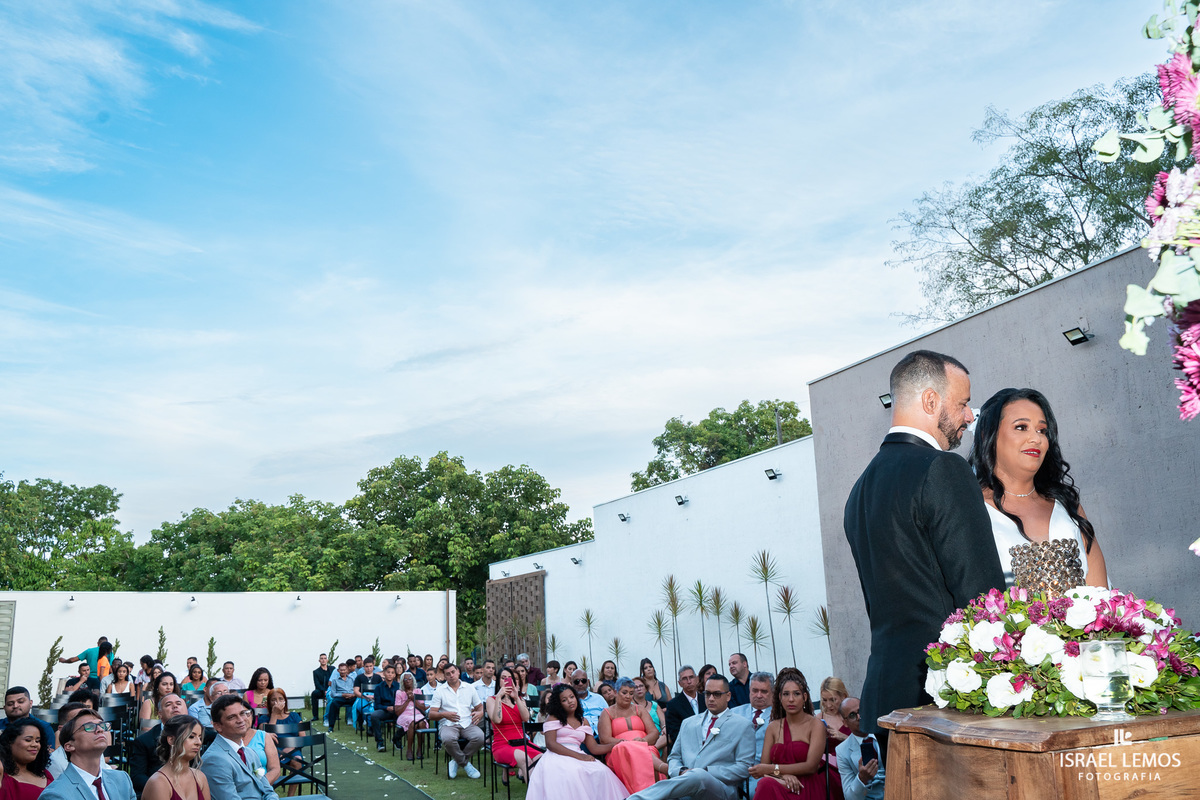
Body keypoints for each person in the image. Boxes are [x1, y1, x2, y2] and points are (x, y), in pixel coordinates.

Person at [843, 350, 1005, 745]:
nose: (970, 416)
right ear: (931, 401)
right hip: (944, 699)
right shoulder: (943, 469)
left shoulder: (859, 490)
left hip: (886, 697)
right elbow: (982, 597)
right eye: (963, 403)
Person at [968, 387, 1108, 587]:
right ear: (985, 434)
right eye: (1021, 427)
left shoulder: (1067, 505)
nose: (1036, 439)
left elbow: (1100, 591)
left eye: (1042, 431)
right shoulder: (971, 509)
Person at [627, 674, 754, 800]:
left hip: (721, 789)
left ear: (728, 696)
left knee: (698, 776)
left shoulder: (742, 725)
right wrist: (681, 771)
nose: (710, 698)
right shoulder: (688, 723)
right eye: (707, 693)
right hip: (687, 786)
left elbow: (744, 767)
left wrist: (708, 772)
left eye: (716, 694)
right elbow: (674, 756)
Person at [525, 684, 625, 800]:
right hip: (557, 755)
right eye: (564, 700)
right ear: (559, 703)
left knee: (602, 771)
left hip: (578, 754)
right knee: (573, 772)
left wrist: (614, 745)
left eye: (572, 697)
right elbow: (551, 744)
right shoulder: (553, 718)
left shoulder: (583, 721)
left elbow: (594, 748)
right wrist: (580, 756)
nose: (570, 701)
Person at [748, 668, 832, 800]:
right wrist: (782, 776)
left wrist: (775, 770)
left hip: (805, 786)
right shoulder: (773, 727)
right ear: (780, 697)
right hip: (778, 782)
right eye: (786, 694)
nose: (791, 699)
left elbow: (810, 767)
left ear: (804, 697)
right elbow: (764, 769)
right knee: (766, 784)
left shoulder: (816, 725)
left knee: (766, 785)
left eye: (796, 694)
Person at [40, 710, 135, 800]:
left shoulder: (123, 780)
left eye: (103, 725)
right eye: (89, 727)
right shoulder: (55, 794)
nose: (100, 730)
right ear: (69, 746)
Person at [198, 695, 279, 800]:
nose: (241, 720)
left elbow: (267, 790)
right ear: (218, 726)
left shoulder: (250, 753)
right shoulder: (214, 759)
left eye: (242, 713)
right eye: (232, 717)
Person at [599, 678, 665, 794]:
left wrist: (643, 740)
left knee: (646, 750)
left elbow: (654, 732)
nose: (628, 696)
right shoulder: (607, 712)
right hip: (619, 749)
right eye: (624, 693)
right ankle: (661, 767)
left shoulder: (639, 709)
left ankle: (652, 792)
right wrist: (623, 742)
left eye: (631, 693)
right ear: (615, 692)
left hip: (644, 745)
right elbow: (604, 739)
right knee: (630, 748)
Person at [132, 694, 197, 794]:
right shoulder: (144, 741)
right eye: (168, 704)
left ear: (185, 711)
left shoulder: (199, 735)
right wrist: (162, 787)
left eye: (178, 703)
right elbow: (137, 776)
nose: (175, 706)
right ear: (160, 714)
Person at [428, 664, 484, 780]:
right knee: (448, 739)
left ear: (458, 672)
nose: (451, 675)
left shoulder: (469, 688)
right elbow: (431, 714)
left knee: (480, 737)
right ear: (444, 676)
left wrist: (480, 713)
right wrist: (444, 714)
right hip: (448, 724)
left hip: (467, 722)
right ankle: (466, 764)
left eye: (453, 672)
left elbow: (480, 707)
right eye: (448, 674)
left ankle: (456, 762)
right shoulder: (440, 691)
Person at [486, 667, 540, 783]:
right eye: (503, 678)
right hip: (502, 744)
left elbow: (525, 718)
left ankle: (541, 791)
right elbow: (497, 720)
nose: (506, 680)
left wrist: (516, 698)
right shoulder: (491, 700)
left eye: (509, 678)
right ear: (498, 681)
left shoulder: (519, 699)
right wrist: (499, 697)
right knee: (525, 759)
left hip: (522, 741)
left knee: (542, 758)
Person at [141, 715, 212, 800]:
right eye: (191, 737)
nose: (199, 742)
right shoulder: (158, 783)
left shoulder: (200, 777)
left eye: (200, 737)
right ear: (171, 740)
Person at [730, 671, 773, 796]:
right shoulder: (734, 713)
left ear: (773, 693)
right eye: (754, 691)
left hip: (762, 771)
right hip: (733, 769)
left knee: (756, 792)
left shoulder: (779, 716)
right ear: (749, 691)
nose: (758, 695)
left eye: (764, 691)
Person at [835, 698, 884, 800]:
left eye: (861, 711)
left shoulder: (884, 732)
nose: (859, 717)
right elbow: (849, 797)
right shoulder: (842, 751)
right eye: (852, 715)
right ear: (845, 723)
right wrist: (862, 778)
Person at [0, 717, 52, 799]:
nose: (35, 744)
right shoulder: (3, 779)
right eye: (28, 740)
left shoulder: (46, 774)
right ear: (9, 742)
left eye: (37, 741)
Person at [662, 666, 699, 748]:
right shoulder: (673, 705)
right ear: (679, 683)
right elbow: (675, 735)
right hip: (687, 747)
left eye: (691, 677)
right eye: (685, 679)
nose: (689, 681)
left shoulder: (706, 700)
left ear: (697, 679)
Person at [392, 672, 425, 761]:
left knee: (421, 723)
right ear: (402, 681)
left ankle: (419, 748)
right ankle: (409, 749)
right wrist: (407, 700)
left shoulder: (418, 691)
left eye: (410, 679)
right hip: (404, 715)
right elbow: (397, 711)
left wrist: (414, 699)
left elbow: (423, 708)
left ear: (413, 680)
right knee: (412, 722)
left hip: (417, 713)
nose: (408, 681)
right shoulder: (399, 692)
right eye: (405, 679)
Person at [369, 665, 401, 753]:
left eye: (392, 673)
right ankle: (380, 742)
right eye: (388, 672)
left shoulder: (399, 686)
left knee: (408, 717)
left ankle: (396, 739)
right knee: (374, 715)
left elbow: (402, 701)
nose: (390, 674)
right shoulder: (379, 687)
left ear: (395, 675)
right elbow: (377, 705)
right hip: (384, 710)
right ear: (384, 673)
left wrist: (396, 708)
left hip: (397, 710)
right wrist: (387, 707)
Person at [816, 677, 851, 747]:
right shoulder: (819, 718)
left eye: (832, 700)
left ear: (843, 696)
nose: (828, 705)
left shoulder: (852, 715)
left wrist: (844, 737)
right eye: (825, 700)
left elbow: (865, 743)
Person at [325, 663, 355, 730]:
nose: (343, 672)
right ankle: (331, 726)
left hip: (351, 697)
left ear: (347, 670)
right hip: (340, 698)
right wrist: (343, 695)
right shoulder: (335, 680)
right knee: (333, 704)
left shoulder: (352, 679)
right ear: (338, 670)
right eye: (341, 670)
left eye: (344, 670)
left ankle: (360, 724)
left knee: (359, 703)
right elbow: (333, 694)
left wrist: (352, 695)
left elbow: (355, 690)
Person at [310, 655, 332, 723]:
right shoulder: (316, 672)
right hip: (321, 691)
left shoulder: (332, 669)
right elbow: (317, 684)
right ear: (319, 660)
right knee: (314, 694)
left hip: (331, 690)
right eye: (321, 658)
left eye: (325, 658)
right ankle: (315, 716)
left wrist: (329, 690)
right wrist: (324, 691)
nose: (323, 660)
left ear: (327, 660)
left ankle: (335, 715)